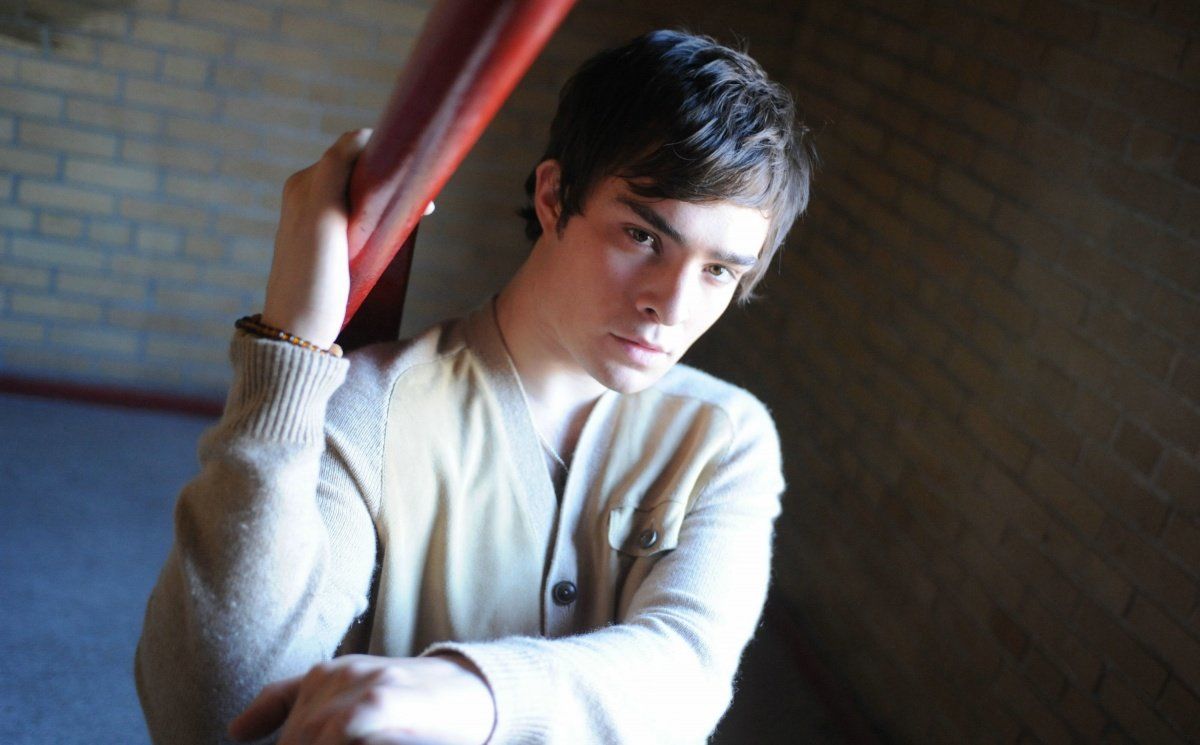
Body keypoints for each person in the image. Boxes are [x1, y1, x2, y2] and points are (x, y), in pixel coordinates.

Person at [135, 28, 815, 744]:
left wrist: (476, 693)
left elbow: (688, 675)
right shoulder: (370, 410)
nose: (671, 306)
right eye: (643, 237)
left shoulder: (726, 435)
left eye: (718, 271)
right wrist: (289, 343)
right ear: (554, 196)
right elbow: (218, 715)